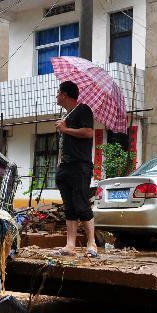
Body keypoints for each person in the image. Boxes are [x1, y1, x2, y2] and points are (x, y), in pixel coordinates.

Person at [53, 81, 97, 258]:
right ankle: (70, 245)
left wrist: (66, 129)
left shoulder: (83, 110)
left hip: (79, 165)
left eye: (58, 93)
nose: (56, 96)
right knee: (69, 206)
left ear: (64, 94)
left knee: (81, 204)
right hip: (65, 166)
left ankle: (91, 243)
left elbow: (88, 133)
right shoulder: (68, 115)